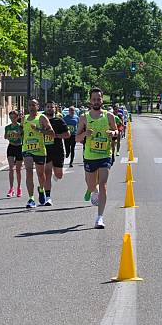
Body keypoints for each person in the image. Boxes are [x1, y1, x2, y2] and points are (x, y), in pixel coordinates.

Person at [76, 88, 117, 229]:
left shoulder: (109, 116)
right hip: (89, 156)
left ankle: (100, 218)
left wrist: (113, 132)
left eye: (98, 99)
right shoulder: (84, 117)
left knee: (103, 184)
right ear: (90, 100)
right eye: (94, 99)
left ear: (102, 99)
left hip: (105, 155)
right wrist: (85, 134)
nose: (96, 101)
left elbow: (116, 130)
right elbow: (76, 138)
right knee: (91, 185)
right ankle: (92, 190)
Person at [21, 99, 54, 208]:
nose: (31, 107)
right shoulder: (24, 118)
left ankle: (41, 188)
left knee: (40, 174)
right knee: (29, 172)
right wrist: (17, 133)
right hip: (27, 149)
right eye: (29, 105)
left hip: (39, 150)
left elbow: (51, 133)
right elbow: (22, 131)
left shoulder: (41, 118)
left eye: (33, 105)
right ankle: (31, 198)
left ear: (37, 106)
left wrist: (39, 130)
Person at [43, 101, 70, 206]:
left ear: (55, 109)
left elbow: (67, 134)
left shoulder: (59, 121)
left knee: (59, 175)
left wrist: (56, 136)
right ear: (45, 108)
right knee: (47, 173)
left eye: (51, 107)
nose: (49, 108)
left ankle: (45, 185)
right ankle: (48, 197)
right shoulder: (41, 121)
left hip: (57, 150)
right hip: (45, 150)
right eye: (48, 107)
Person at [4, 111, 23, 197]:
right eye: (11, 117)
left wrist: (18, 134)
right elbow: (5, 136)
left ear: (17, 117)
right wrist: (9, 135)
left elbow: (22, 136)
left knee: (18, 170)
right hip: (11, 147)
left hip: (19, 147)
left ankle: (19, 187)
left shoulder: (20, 126)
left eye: (14, 117)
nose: (12, 119)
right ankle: (11, 189)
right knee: (11, 168)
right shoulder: (7, 127)